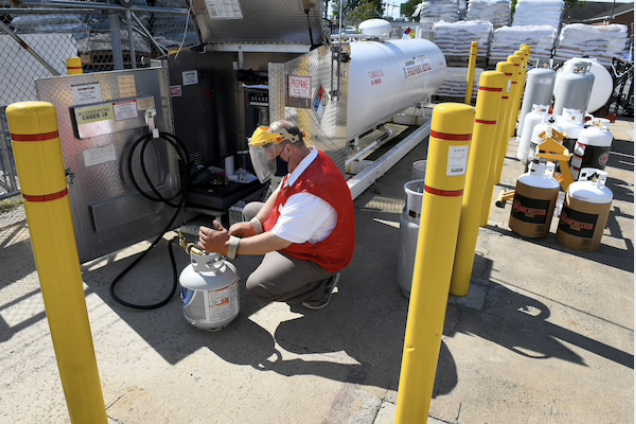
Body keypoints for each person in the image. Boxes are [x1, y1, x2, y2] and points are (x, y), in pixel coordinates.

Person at [198, 120, 355, 310]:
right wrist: (255, 224)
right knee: (251, 211)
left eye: (270, 153)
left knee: (259, 286)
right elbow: (280, 190)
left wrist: (230, 247)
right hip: (305, 237)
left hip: (320, 256)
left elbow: (281, 240)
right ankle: (277, 262)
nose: (269, 159)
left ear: (288, 149)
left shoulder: (311, 190)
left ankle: (321, 287)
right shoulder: (308, 158)